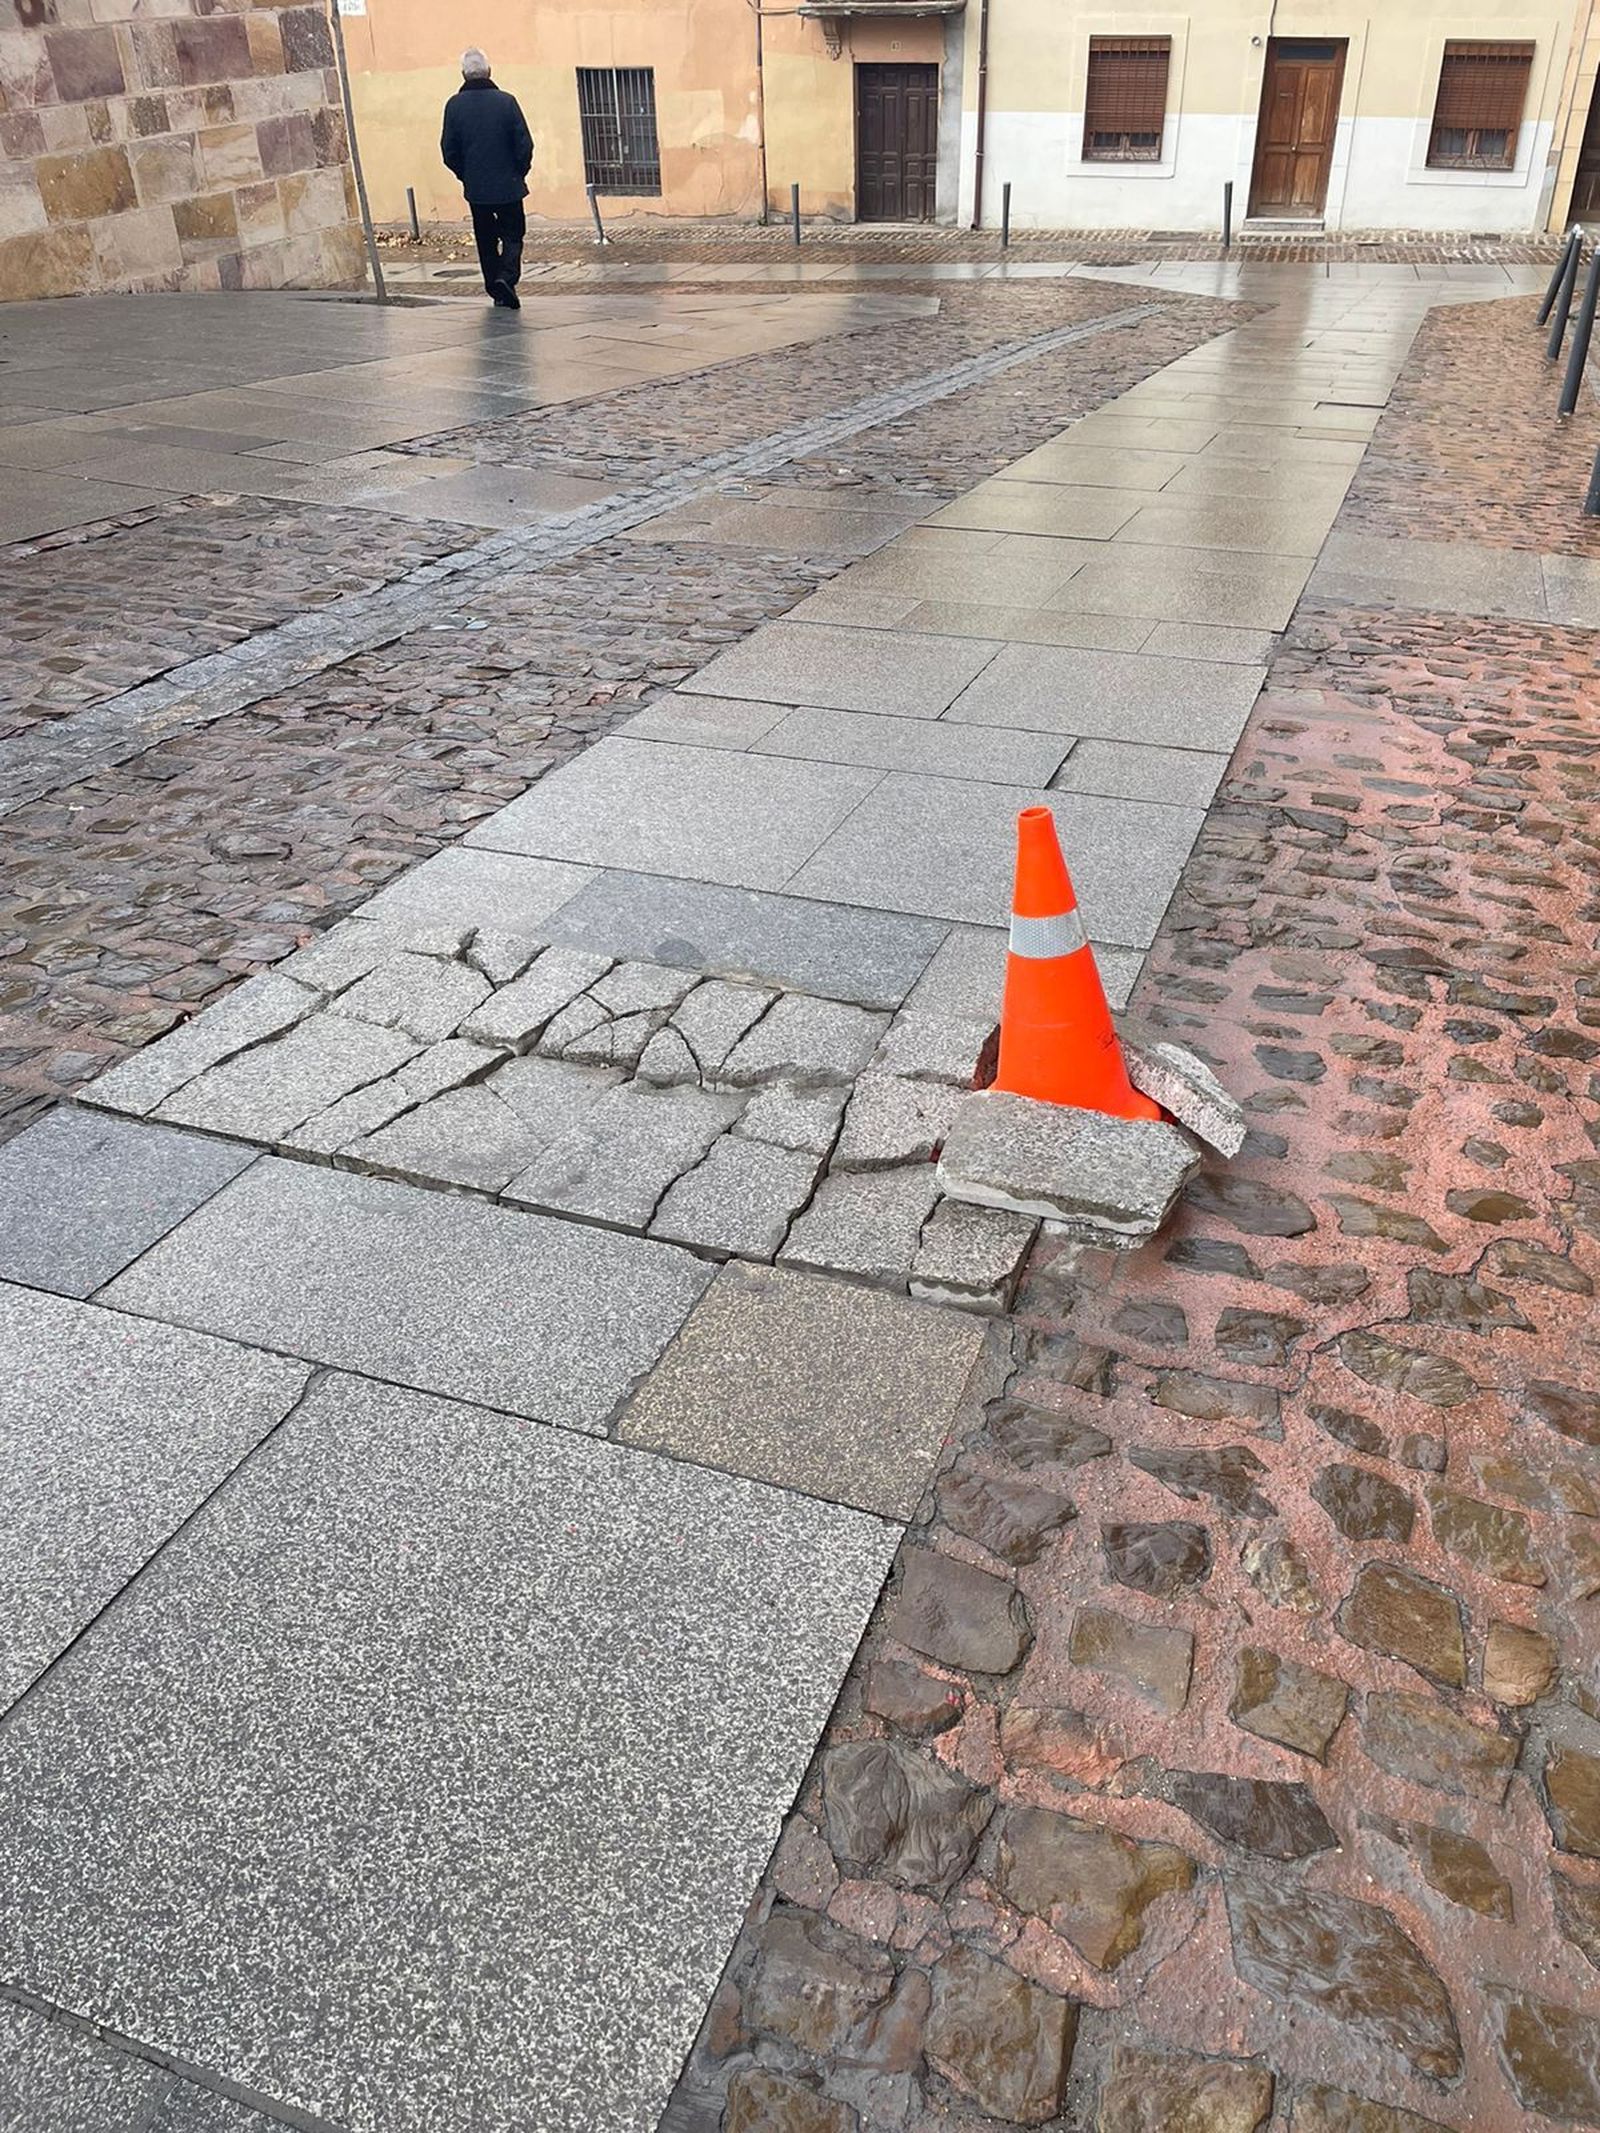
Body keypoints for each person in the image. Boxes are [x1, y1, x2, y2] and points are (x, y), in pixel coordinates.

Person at [441, 48, 534, 310]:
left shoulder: (454, 106)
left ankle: (496, 288)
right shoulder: (506, 102)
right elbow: (524, 144)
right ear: (489, 72)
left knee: (485, 240)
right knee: (514, 235)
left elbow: (449, 150)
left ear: (463, 75)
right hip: (509, 186)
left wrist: (466, 175)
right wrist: (519, 172)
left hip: (477, 189)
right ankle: (507, 277)